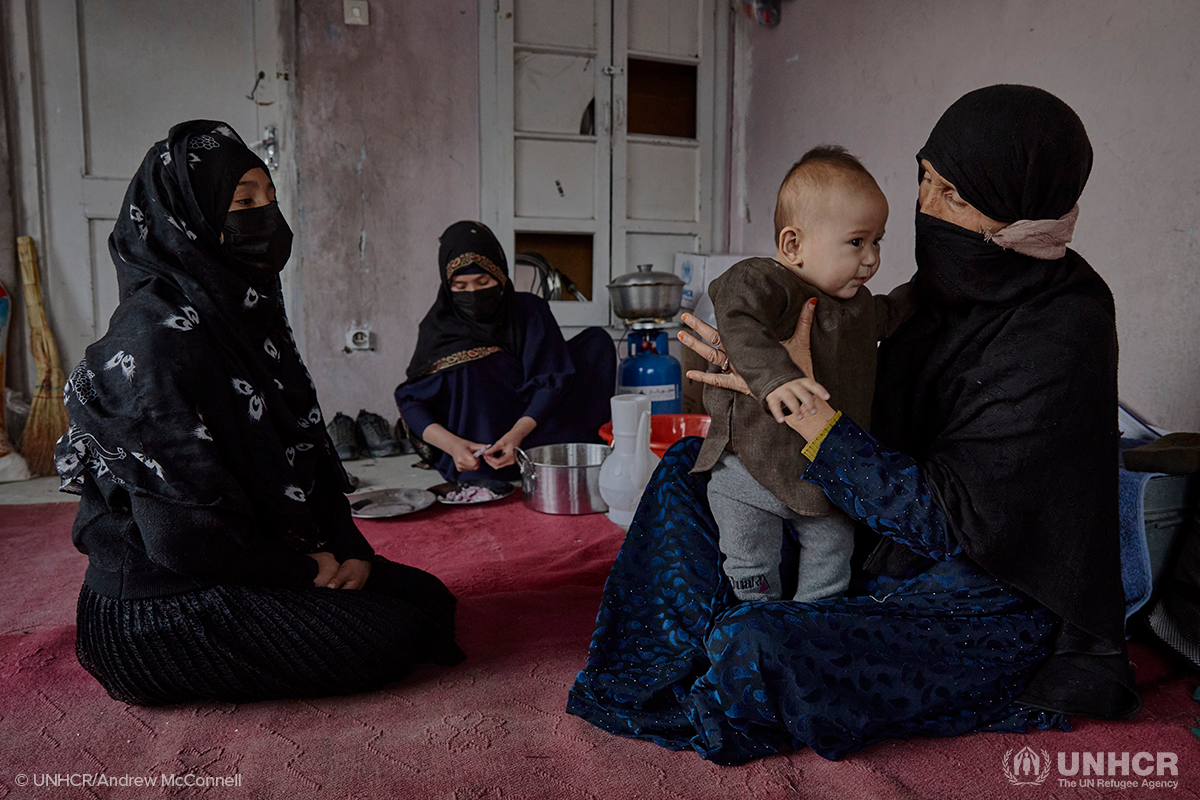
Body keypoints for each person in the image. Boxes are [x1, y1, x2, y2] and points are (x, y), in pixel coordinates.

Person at [567, 85, 1141, 765]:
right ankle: (709, 646)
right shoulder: (932, 301)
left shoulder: (1060, 329)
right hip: (864, 542)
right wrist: (768, 373)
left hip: (978, 599)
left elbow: (945, 525)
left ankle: (746, 640)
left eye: (952, 195)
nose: (926, 207)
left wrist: (812, 412)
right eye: (925, 179)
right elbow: (854, 406)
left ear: (1014, 207)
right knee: (690, 471)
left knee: (760, 649)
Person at [55, 120, 464, 706]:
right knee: (392, 636)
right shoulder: (152, 339)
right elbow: (178, 536)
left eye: (268, 198)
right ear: (184, 218)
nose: (263, 218)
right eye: (241, 202)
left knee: (425, 598)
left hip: (248, 558)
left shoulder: (246, 314)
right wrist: (304, 573)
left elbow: (304, 458)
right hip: (157, 606)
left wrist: (347, 549)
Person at [696, 146, 913, 603]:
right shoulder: (768, 283)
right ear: (793, 245)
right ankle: (756, 616)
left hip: (825, 478)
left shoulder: (859, 308)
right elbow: (736, 315)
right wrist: (777, 376)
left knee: (832, 559)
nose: (871, 258)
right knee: (748, 559)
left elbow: (895, 312)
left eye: (878, 241)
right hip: (750, 470)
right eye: (857, 242)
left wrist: (934, 287)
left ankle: (812, 624)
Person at [395, 221, 616, 482]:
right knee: (472, 364)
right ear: (446, 284)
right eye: (460, 287)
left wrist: (517, 435)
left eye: (483, 281)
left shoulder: (530, 310)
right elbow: (412, 401)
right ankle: (492, 456)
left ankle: (540, 453)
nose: (474, 293)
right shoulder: (440, 329)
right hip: (480, 448)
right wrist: (453, 446)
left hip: (532, 429)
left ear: (499, 275)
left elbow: (550, 380)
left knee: (597, 342)